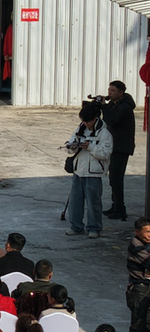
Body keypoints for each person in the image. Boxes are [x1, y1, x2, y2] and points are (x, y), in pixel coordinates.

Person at [66, 101, 112, 239]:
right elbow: (70, 145)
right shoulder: (80, 128)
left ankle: (94, 228)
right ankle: (76, 226)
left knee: (93, 203)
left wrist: (90, 147)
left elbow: (105, 153)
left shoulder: (104, 133)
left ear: (95, 118)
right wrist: (72, 147)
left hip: (94, 173)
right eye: (84, 121)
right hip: (78, 171)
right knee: (75, 202)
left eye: (88, 121)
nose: (86, 124)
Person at [103, 81, 139, 220]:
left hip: (121, 147)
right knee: (113, 178)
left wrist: (104, 107)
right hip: (114, 146)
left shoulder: (125, 107)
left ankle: (120, 209)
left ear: (121, 92)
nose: (110, 93)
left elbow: (112, 120)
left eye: (113, 91)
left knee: (117, 178)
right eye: (109, 90)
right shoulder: (114, 105)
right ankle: (115, 205)